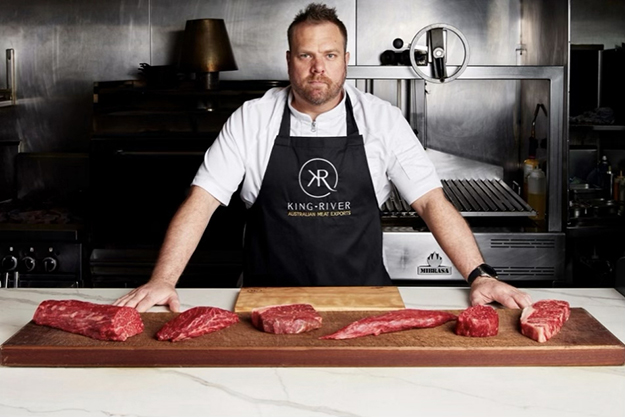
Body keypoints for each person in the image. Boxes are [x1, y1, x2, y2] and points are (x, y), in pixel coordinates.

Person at [114, 3, 532, 313]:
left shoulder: (381, 119)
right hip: (267, 303)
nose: (318, 68)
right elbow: (200, 202)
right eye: (305, 56)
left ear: (345, 60)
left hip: (364, 301)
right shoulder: (253, 118)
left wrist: (480, 276)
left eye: (330, 55)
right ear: (289, 61)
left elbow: (430, 202)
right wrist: (162, 280)